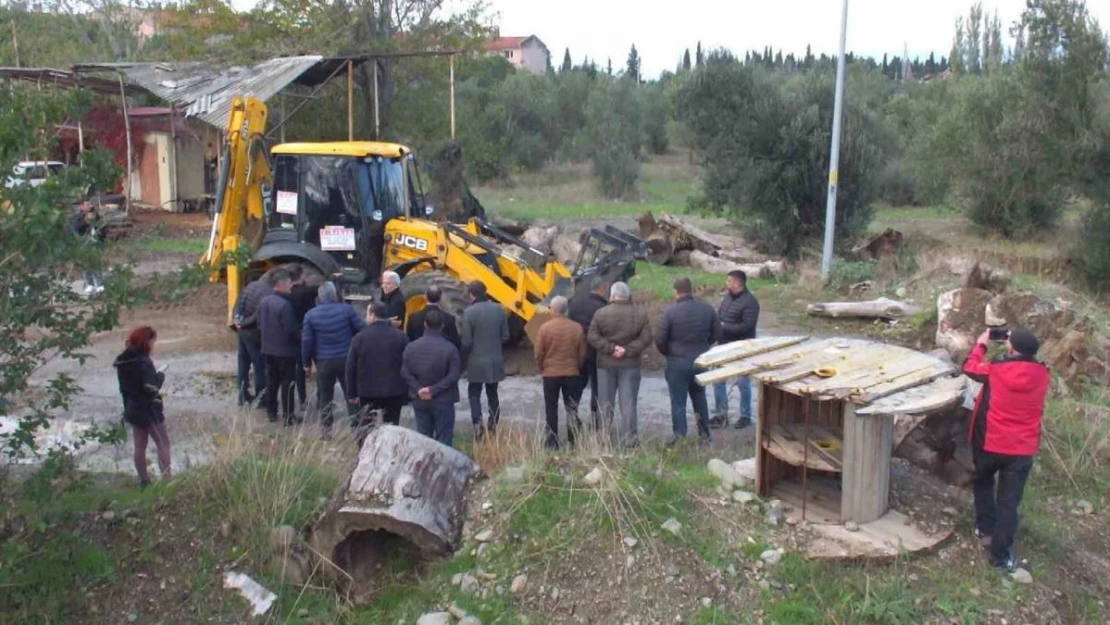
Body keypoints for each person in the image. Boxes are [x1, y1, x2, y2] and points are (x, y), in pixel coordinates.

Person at [962, 327, 1050, 572]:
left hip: (991, 442)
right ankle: (1001, 557)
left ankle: (985, 527)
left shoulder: (995, 369)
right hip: (1022, 449)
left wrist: (981, 344)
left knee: (983, 482)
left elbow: (970, 367)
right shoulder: (1043, 374)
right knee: (1009, 502)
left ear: (1012, 348)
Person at [656, 277, 721, 447]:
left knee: (678, 401)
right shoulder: (707, 309)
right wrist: (705, 346)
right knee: (700, 396)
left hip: (677, 362)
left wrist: (669, 352)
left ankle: (680, 437)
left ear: (675, 291)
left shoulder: (669, 312)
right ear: (691, 290)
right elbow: (716, 332)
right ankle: (705, 435)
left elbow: (660, 339)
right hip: (700, 360)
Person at [587, 282, 652, 448]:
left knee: (605, 403)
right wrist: (627, 350)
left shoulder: (601, 313)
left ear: (613, 295)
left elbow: (592, 336)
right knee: (628, 403)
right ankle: (629, 438)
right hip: (630, 364)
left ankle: (603, 438)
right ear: (628, 296)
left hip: (605, 365)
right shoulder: (640, 314)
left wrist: (610, 348)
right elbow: (646, 339)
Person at [302, 282, 366, 438]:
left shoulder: (310, 315)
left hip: (323, 361)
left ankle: (326, 431)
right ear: (335, 295)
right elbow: (362, 328)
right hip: (346, 359)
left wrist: (306, 364)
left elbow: (307, 341)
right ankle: (357, 426)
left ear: (319, 296)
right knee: (350, 393)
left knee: (325, 396)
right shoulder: (346, 310)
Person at [113, 326, 171, 486]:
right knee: (163, 443)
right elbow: (151, 387)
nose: (153, 346)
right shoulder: (143, 362)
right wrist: (160, 376)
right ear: (147, 342)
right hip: (149, 408)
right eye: (153, 342)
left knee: (139, 446)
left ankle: (143, 482)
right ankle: (167, 480)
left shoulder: (122, 360)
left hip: (132, 407)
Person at [347, 302, 410, 445]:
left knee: (366, 425)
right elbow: (408, 363)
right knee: (392, 426)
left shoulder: (359, 338)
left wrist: (351, 393)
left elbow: (351, 367)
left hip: (367, 391)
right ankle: (390, 451)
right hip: (394, 390)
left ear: (372, 315)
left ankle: (364, 451)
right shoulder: (401, 337)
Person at [402, 309, 463, 446]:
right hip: (443, 399)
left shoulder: (411, 347)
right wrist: (433, 390)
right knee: (444, 439)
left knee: (424, 439)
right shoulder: (450, 348)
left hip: (420, 399)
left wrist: (419, 389)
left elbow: (405, 372)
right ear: (442, 326)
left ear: (425, 324)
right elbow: (454, 374)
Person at [534, 295, 587, 449]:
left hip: (550, 375)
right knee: (571, 408)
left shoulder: (544, 329)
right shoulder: (576, 328)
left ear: (555, 310)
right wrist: (576, 366)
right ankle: (573, 440)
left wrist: (543, 367)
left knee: (551, 409)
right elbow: (582, 353)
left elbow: (538, 353)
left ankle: (552, 442)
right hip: (572, 373)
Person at [461, 281, 509, 439]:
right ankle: (493, 424)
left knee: (474, 393)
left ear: (471, 294)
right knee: (492, 393)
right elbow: (505, 336)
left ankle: (477, 424)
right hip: (495, 359)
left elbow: (466, 341)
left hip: (476, 361)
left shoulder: (469, 312)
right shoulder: (499, 309)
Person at [713, 270, 760, 429]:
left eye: (729, 281)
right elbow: (720, 316)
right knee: (718, 379)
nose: (726, 284)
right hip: (723, 346)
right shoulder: (726, 298)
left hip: (742, 348)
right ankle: (721, 414)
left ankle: (745, 416)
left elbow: (747, 327)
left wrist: (725, 327)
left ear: (737, 283)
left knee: (743, 382)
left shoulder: (750, 302)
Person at [258, 269, 301, 425]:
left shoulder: (264, 302)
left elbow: (259, 324)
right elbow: (292, 329)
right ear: (281, 284)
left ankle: (271, 412)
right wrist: (302, 337)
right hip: (285, 351)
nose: (291, 286)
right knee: (287, 383)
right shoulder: (285, 305)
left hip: (267, 349)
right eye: (289, 283)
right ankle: (288, 416)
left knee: (271, 382)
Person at [568, 277, 608, 429]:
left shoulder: (576, 303)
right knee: (597, 387)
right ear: (602, 288)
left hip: (578, 351)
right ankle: (595, 419)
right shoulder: (603, 307)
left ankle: (572, 413)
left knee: (578, 384)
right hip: (596, 352)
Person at [233, 274, 272, 407]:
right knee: (260, 365)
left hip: (242, 333)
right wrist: (245, 323)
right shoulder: (266, 292)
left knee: (243, 364)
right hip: (253, 333)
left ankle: (242, 396)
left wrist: (238, 320)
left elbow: (237, 305)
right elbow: (258, 315)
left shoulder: (249, 287)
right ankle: (261, 399)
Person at [286, 265, 318, 411]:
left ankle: (299, 400)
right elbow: (322, 289)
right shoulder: (306, 292)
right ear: (301, 277)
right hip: (307, 333)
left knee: (295, 370)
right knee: (308, 366)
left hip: (290, 336)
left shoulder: (285, 293)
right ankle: (314, 400)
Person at [68, 199, 105, 295]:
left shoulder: (96, 215)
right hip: (83, 244)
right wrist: (86, 221)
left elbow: (102, 227)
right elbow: (77, 228)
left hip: (95, 243)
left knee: (96, 263)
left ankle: (100, 285)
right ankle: (90, 284)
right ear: (82, 207)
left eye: (91, 204)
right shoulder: (76, 217)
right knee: (86, 265)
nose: (90, 206)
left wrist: (102, 237)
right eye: (87, 204)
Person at [407, 285, 462, 351]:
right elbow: (455, 342)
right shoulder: (449, 319)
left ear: (425, 296)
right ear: (440, 297)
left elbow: (409, 340)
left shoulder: (413, 318)